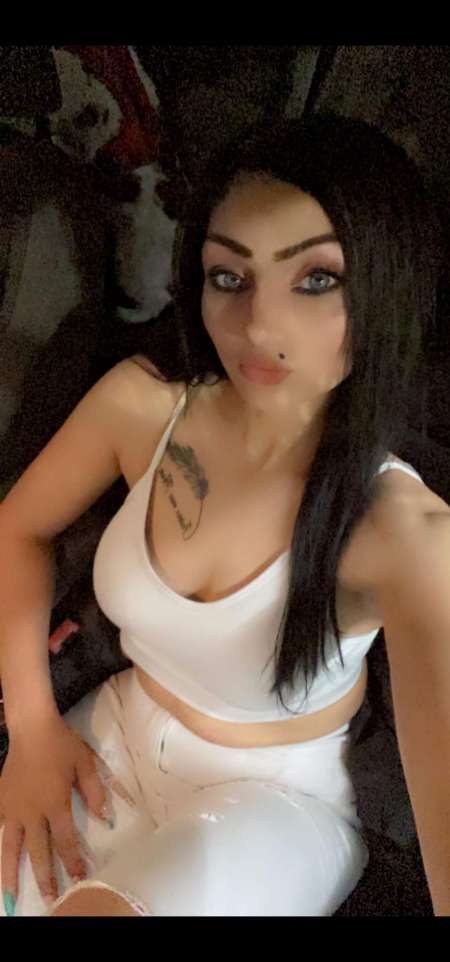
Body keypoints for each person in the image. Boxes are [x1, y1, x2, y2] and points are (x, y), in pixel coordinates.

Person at [0, 112, 447, 917]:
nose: (260, 326)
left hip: (274, 808)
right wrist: (31, 727)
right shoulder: (143, 409)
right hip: (114, 732)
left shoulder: (401, 531)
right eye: (230, 278)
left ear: (387, 285)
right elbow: (18, 528)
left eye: (317, 279)